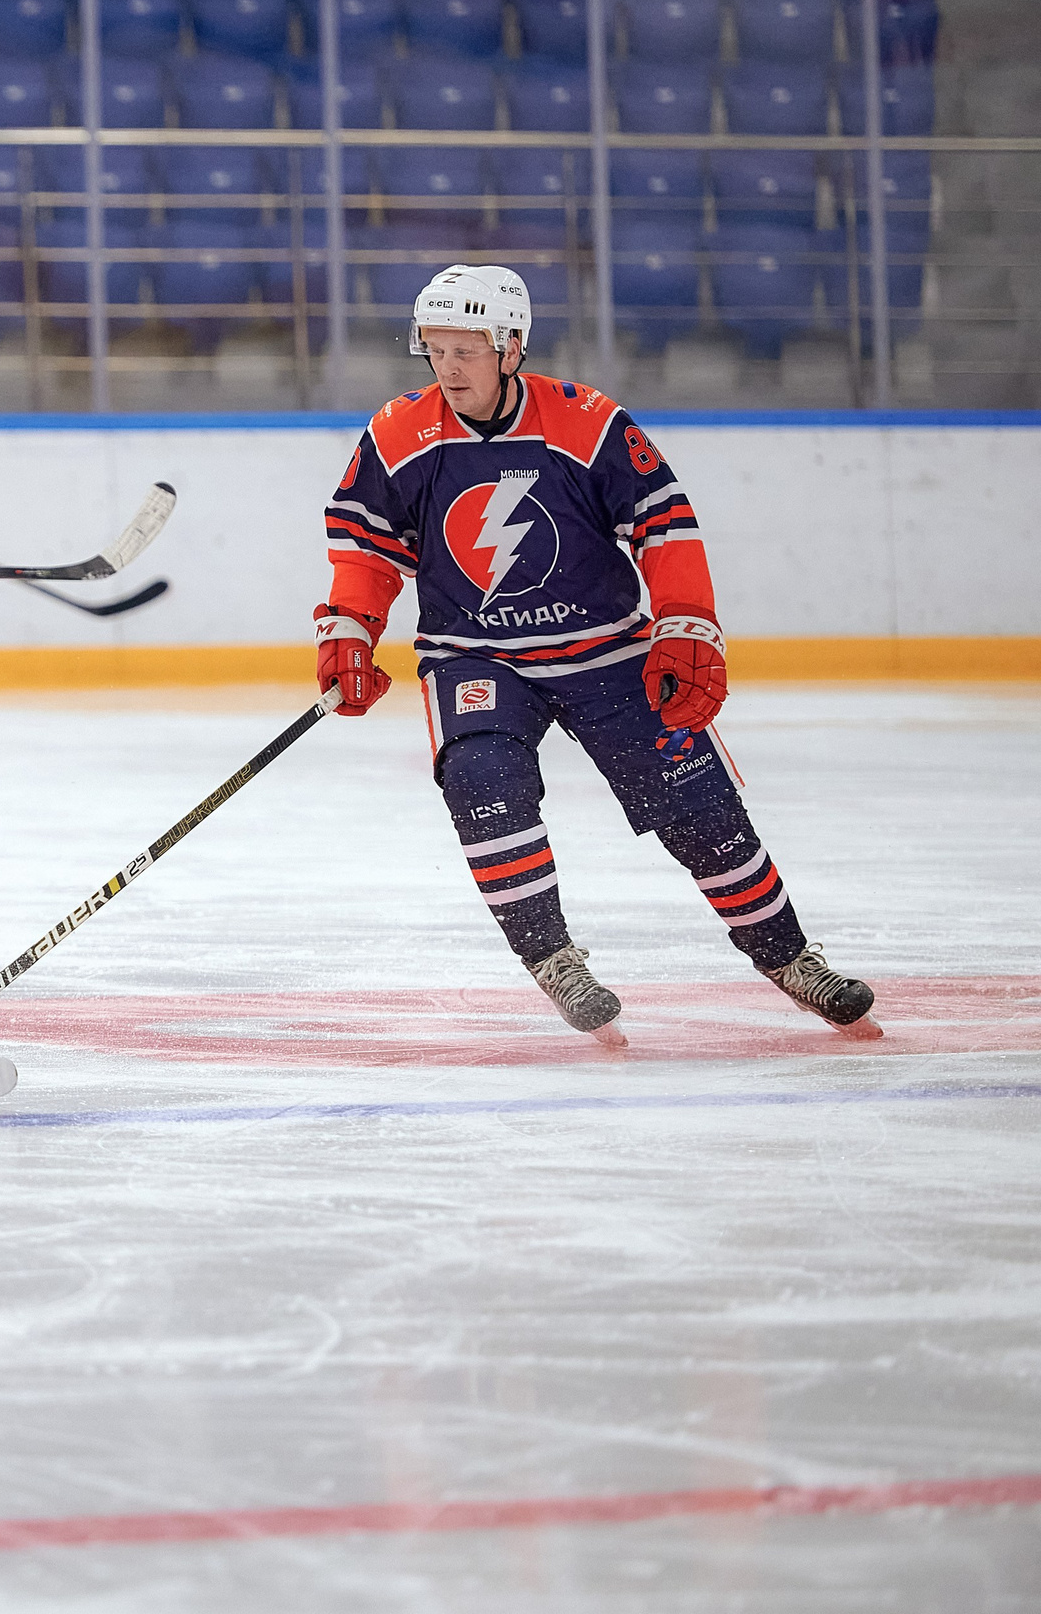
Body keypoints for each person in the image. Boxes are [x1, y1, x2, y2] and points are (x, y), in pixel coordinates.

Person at [314, 263, 880, 1044]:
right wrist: (348, 627)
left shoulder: (586, 421)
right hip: (476, 657)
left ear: (512, 347)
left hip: (608, 651)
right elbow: (366, 547)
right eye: (435, 349)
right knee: (484, 783)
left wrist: (686, 624)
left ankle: (789, 958)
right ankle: (553, 959)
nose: (448, 368)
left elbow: (664, 521)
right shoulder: (399, 433)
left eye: (466, 350)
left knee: (699, 808)